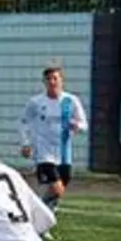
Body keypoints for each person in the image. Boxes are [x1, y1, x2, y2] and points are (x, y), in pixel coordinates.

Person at [18, 66, 87, 214]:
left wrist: (76, 126)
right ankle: (41, 214)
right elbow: (23, 121)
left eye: (55, 78)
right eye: (49, 79)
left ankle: (41, 214)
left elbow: (83, 124)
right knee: (56, 187)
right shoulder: (36, 102)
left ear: (61, 81)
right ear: (44, 82)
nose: (52, 82)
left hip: (64, 152)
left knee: (58, 190)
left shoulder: (71, 100)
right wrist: (26, 143)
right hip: (43, 152)